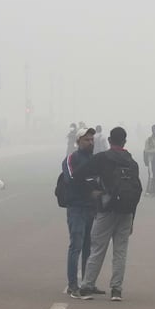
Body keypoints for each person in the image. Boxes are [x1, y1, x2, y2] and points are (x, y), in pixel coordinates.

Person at [79, 126, 141, 301]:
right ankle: (116, 290)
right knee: (120, 252)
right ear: (125, 141)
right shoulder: (132, 162)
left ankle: (87, 286)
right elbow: (137, 190)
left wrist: (93, 192)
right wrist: (132, 219)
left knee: (97, 249)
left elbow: (80, 175)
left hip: (106, 210)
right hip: (127, 212)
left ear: (109, 140)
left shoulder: (102, 158)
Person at [59, 126, 97, 299]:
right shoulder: (71, 159)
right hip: (76, 207)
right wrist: (91, 185)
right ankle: (73, 285)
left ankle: (87, 283)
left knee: (88, 247)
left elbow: (100, 181)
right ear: (78, 141)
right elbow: (71, 179)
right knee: (76, 246)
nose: (90, 142)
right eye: (86, 140)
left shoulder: (95, 159)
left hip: (91, 208)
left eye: (91, 140)